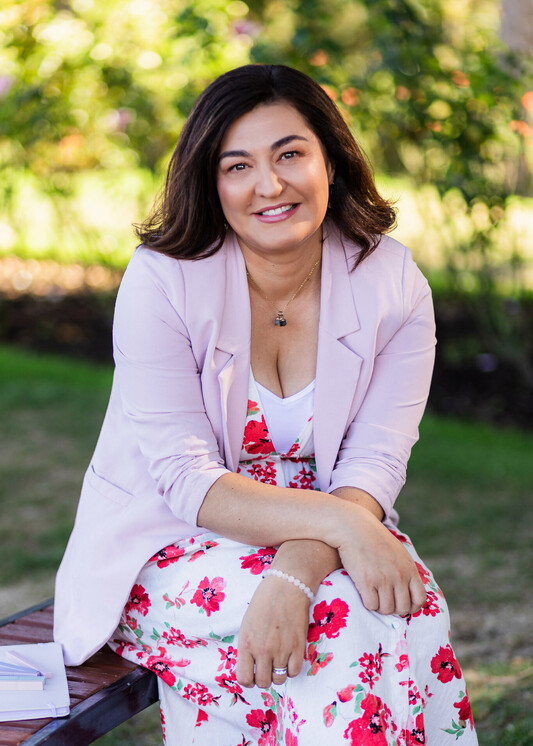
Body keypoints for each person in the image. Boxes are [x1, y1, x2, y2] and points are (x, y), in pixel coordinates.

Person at [54, 64, 478, 745]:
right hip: (172, 535)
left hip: (339, 523)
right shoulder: (162, 281)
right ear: (211, 183)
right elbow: (186, 478)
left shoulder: (390, 281)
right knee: (343, 622)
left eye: (289, 154)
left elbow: (375, 457)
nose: (269, 185)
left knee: (404, 605)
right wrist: (345, 537)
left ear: (331, 161)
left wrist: (300, 566)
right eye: (238, 165)